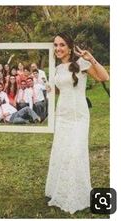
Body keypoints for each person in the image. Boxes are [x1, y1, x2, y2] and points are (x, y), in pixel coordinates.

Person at [45, 33, 109, 214]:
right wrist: (51, 89)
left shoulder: (81, 64)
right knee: (62, 151)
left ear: (70, 47)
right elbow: (63, 89)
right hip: (62, 115)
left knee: (75, 152)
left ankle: (77, 194)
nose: (58, 48)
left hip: (78, 116)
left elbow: (104, 77)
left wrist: (91, 59)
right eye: (56, 45)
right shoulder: (57, 68)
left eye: (62, 45)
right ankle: (60, 191)